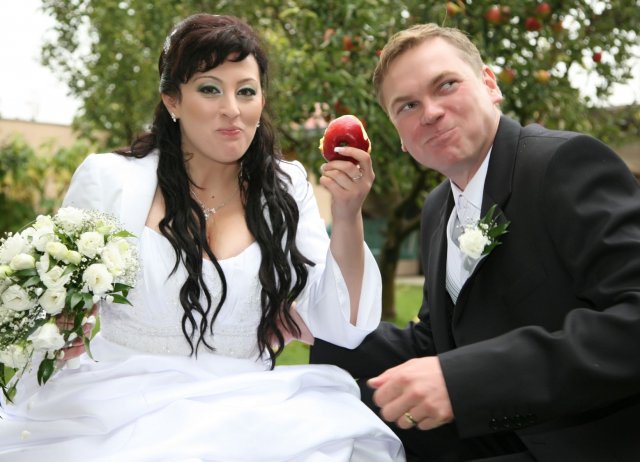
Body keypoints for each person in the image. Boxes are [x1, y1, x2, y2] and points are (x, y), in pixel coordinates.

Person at [0, 14, 405, 462]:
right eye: (210, 89)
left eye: (246, 91)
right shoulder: (110, 179)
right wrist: (59, 330)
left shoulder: (287, 187)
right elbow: (51, 306)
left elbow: (343, 325)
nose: (232, 109)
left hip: (251, 413)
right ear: (172, 100)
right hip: (118, 410)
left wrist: (347, 214)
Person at [311, 22, 640, 462]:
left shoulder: (562, 164)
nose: (430, 112)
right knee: (332, 429)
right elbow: (436, 343)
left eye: (446, 85)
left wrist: (462, 381)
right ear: (400, 138)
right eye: (407, 105)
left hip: (588, 443)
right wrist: (316, 327)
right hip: (498, 433)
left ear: (489, 85)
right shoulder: (437, 209)